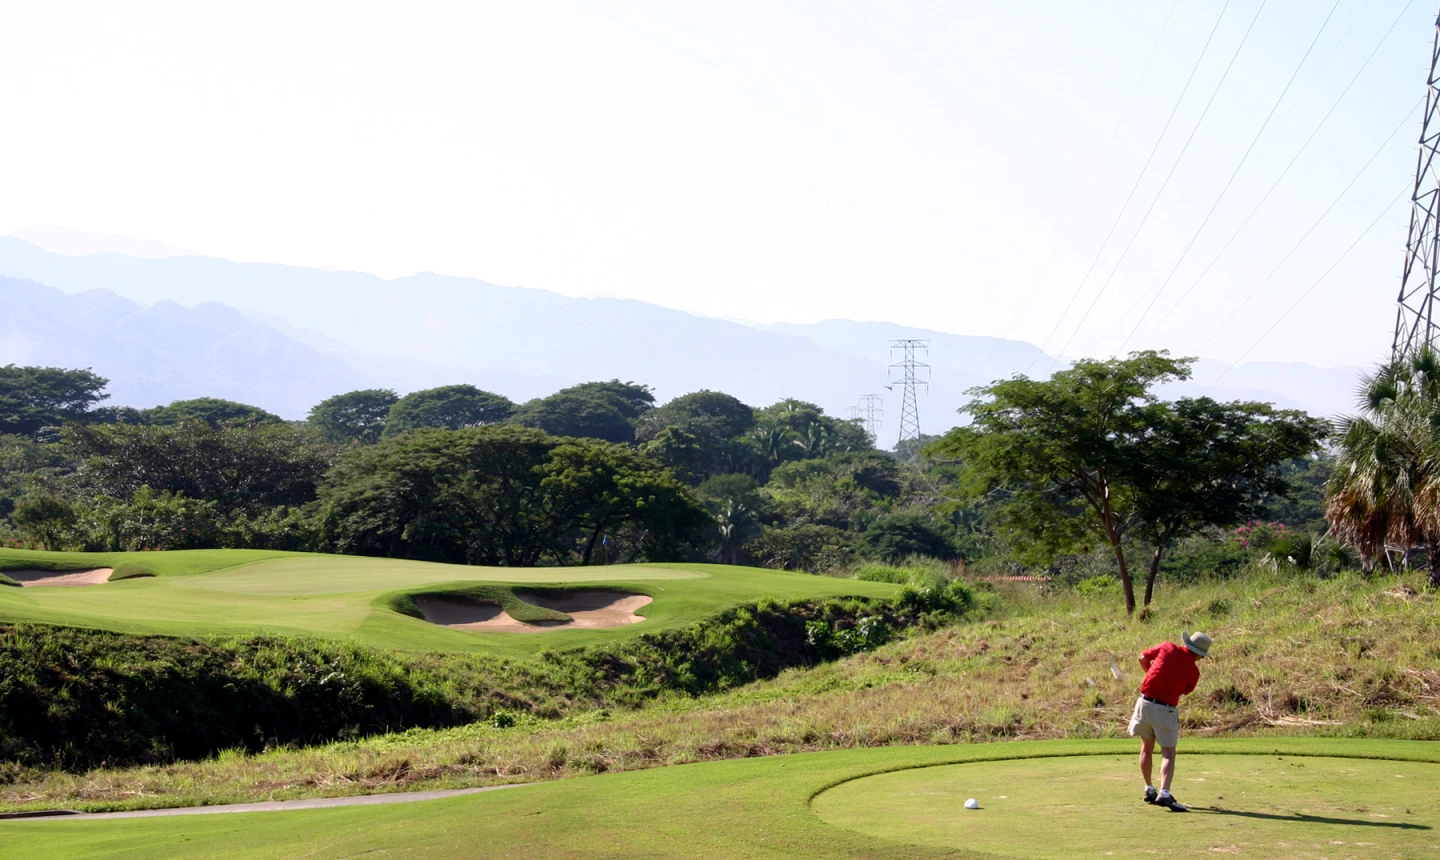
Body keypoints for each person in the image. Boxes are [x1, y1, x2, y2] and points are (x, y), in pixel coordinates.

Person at [1128, 631, 1211, 812]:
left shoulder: (1167, 647)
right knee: (1168, 753)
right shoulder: (1193, 672)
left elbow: (1142, 657)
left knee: (1146, 747)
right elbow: (1183, 690)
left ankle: (1148, 788)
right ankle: (1164, 792)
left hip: (1144, 703)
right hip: (1165, 709)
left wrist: (1150, 673)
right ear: (1199, 654)